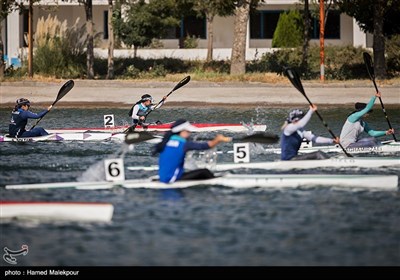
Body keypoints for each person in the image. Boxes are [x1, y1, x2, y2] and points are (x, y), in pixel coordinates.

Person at [153, 119, 231, 183]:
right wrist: (217, 140)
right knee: (204, 172)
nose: (189, 133)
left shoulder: (165, 142)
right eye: (188, 131)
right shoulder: (183, 144)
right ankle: (218, 180)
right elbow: (205, 146)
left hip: (163, 177)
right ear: (182, 131)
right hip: (171, 180)